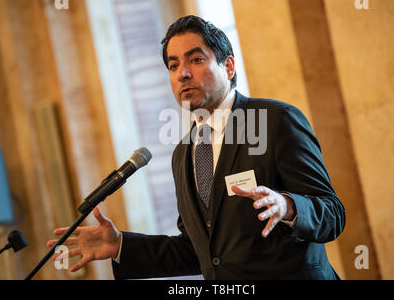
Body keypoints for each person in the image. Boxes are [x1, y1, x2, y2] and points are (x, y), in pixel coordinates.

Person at [48, 15, 345, 280]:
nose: (182, 74)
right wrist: (122, 246)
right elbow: (201, 251)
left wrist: (288, 205)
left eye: (196, 60)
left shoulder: (274, 121)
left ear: (228, 66)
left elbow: (332, 213)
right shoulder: (183, 153)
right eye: (173, 65)